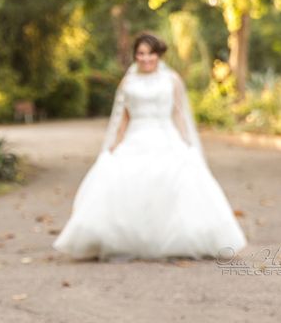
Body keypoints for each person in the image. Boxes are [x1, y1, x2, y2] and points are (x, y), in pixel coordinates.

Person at [53, 33, 246, 260]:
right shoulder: (128, 82)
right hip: (136, 137)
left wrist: (187, 143)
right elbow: (123, 118)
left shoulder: (172, 80)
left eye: (150, 53)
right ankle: (125, 240)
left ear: (159, 55)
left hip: (166, 137)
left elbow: (178, 113)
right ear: (135, 56)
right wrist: (114, 146)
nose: (146, 59)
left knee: (179, 181)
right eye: (141, 54)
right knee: (120, 180)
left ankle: (181, 239)